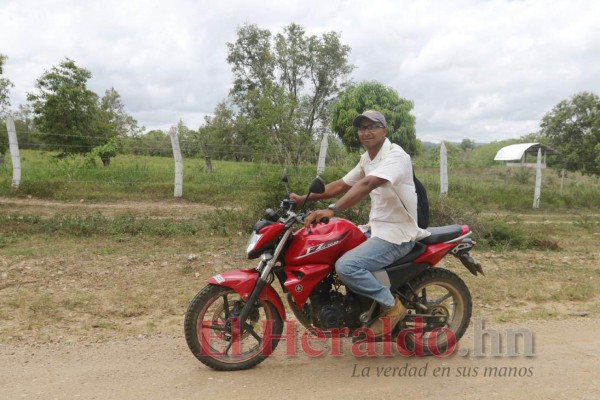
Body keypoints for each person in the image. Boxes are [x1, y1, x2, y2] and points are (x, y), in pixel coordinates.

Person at [290, 110, 429, 337]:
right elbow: (340, 185)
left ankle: (392, 307)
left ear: (385, 130)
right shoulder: (367, 159)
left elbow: (366, 185)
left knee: (347, 266)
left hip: (397, 233)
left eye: (372, 126)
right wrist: (303, 199)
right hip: (376, 228)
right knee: (331, 250)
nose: (366, 132)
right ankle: (357, 306)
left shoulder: (396, 156)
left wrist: (332, 209)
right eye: (362, 127)